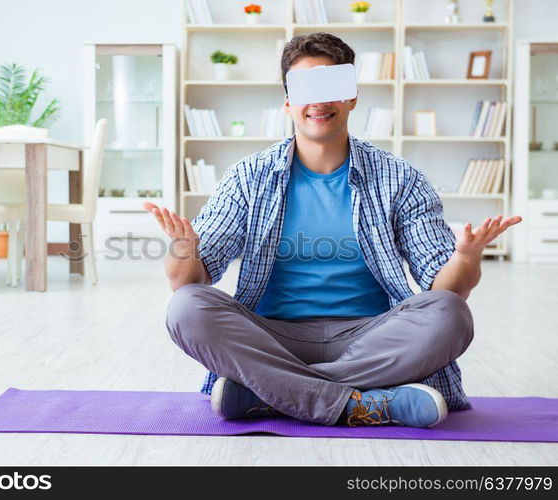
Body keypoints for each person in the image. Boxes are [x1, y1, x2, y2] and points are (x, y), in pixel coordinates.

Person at [143, 32, 521, 428]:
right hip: (272, 340)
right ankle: (373, 405)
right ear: (288, 102)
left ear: (352, 96)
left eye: (331, 87)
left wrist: (465, 256)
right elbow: (190, 282)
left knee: (450, 314)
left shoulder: (400, 178)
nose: (319, 102)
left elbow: (447, 291)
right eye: (306, 89)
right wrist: (183, 248)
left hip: (370, 340)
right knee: (186, 308)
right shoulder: (247, 177)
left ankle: (270, 396)